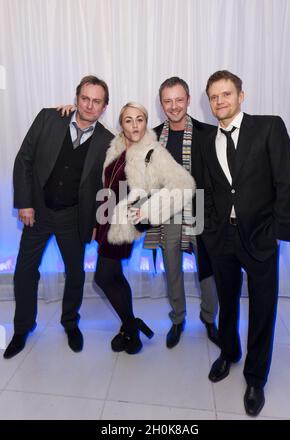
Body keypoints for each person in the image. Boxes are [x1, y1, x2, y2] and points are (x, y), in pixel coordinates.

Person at [194, 70, 290, 416]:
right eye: (214, 96)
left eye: (226, 94)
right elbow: (207, 190)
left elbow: (288, 182)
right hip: (222, 238)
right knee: (226, 299)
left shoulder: (269, 127)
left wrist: (278, 232)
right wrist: (209, 231)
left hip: (260, 237)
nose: (220, 101)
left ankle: (255, 377)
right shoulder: (207, 140)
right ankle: (229, 352)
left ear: (242, 95)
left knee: (263, 307)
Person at [3, 75, 114, 359]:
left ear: (104, 107)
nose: (89, 105)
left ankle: (70, 322)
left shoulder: (108, 141)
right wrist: (24, 203)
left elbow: (106, 188)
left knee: (76, 273)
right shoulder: (49, 118)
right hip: (38, 212)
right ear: (77, 99)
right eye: (85, 98)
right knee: (25, 271)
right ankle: (22, 328)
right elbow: (23, 159)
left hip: (74, 217)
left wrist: (96, 224)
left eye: (96, 101)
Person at [94, 102, 195, 354]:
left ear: (146, 121)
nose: (135, 125)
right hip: (105, 220)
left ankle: (132, 327)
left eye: (140, 119)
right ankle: (129, 328)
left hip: (123, 225)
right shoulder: (116, 145)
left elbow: (184, 184)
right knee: (114, 276)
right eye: (128, 120)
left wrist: (149, 211)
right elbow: (107, 186)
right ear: (121, 124)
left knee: (103, 278)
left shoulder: (153, 151)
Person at [143, 77, 219, 349]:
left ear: (187, 100)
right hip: (167, 211)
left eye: (179, 100)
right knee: (171, 267)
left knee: (208, 269)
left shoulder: (208, 133)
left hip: (201, 210)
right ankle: (178, 319)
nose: (174, 106)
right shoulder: (151, 137)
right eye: (167, 101)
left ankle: (210, 318)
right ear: (161, 104)